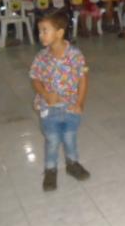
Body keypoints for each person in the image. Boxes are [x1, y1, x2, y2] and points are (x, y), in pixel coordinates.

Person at [29, 11, 90, 191]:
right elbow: (35, 78)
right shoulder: (41, 56)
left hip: (71, 107)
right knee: (53, 140)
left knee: (70, 137)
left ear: (60, 32)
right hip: (49, 108)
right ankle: (50, 170)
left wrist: (80, 103)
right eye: (39, 31)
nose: (40, 35)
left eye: (45, 30)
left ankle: (72, 164)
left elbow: (83, 79)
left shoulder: (76, 55)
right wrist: (45, 94)